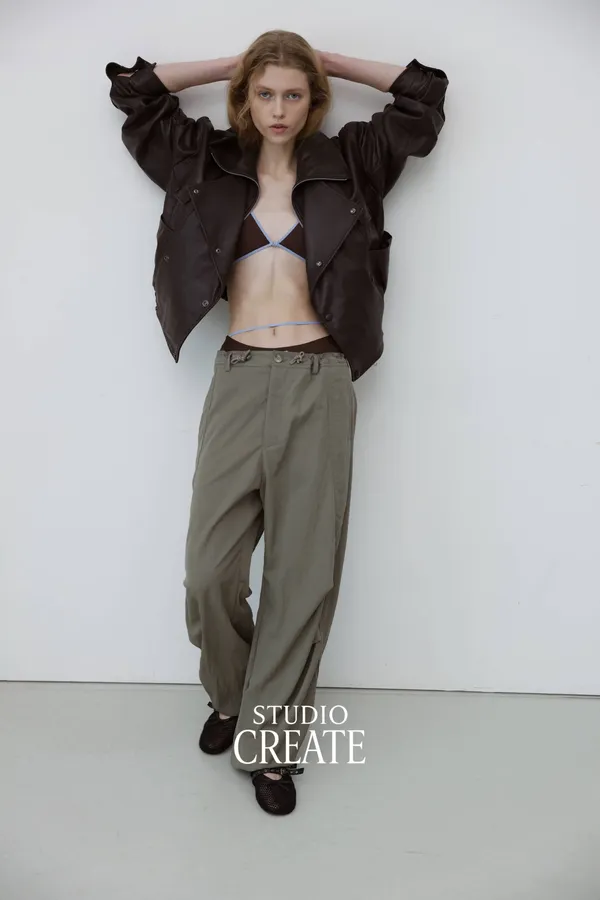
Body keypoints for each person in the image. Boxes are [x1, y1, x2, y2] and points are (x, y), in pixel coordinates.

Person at [105, 30, 448, 816]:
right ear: (246, 97)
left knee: (303, 572)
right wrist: (237, 61)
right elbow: (134, 92)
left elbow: (424, 96)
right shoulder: (204, 161)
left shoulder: (354, 162)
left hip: (320, 380)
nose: (280, 108)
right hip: (237, 377)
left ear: (315, 98)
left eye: (294, 93)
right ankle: (233, 700)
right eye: (265, 93)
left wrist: (328, 59)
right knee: (209, 572)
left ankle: (271, 745)